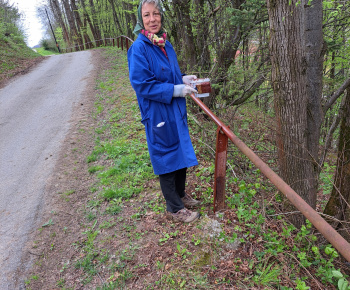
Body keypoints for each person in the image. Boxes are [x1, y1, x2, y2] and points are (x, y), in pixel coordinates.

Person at [127, 0, 201, 223]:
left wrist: (183, 80)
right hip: (158, 111)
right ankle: (175, 208)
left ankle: (180, 195)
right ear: (141, 19)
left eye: (156, 14)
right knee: (166, 156)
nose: (153, 19)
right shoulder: (139, 48)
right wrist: (176, 90)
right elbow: (142, 84)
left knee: (178, 151)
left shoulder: (165, 44)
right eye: (147, 15)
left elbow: (169, 75)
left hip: (175, 109)